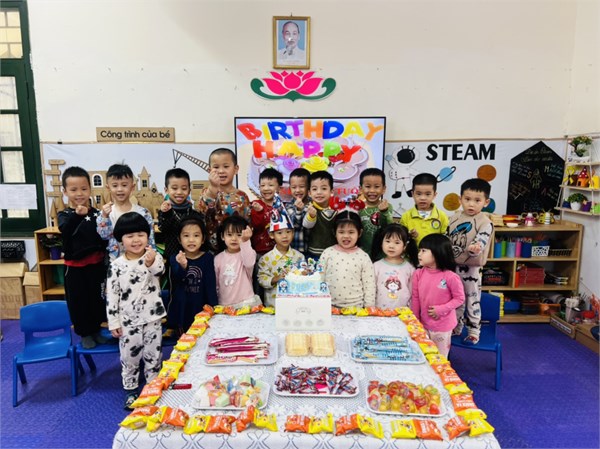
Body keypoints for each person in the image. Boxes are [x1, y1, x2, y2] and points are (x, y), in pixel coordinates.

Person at [106, 212, 166, 409]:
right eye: (130, 236)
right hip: (128, 321)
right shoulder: (116, 265)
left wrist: (150, 262)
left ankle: (153, 387)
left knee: (153, 354)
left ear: (147, 236)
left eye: (140, 234)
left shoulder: (153, 257)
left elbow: (160, 270)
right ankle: (131, 389)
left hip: (152, 317)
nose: (136, 240)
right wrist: (113, 322)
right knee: (129, 357)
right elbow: (112, 295)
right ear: (121, 239)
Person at [58, 166, 108, 349]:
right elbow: (65, 230)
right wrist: (77, 216)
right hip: (75, 268)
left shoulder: (96, 213)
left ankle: (96, 329)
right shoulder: (64, 215)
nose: (79, 193)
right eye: (73, 189)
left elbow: (103, 236)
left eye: (84, 188)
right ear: (65, 191)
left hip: (96, 265)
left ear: (90, 189)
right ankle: (84, 333)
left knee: (97, 299)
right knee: (78, 301)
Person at [448, 178, 493, 345]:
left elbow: (482, 238)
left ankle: (474, 330)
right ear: (460, 199)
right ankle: (456, 326)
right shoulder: (454, 217)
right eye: (467, 199)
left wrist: (476, 246)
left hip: (471, 269)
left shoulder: (485, 222)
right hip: (452, 266)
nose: (471, 204)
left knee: (472, 299)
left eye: (477, 200)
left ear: (486, 202)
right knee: (454, 298)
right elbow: (447, 236)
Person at [411, 234, 465, 357]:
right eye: (419, 250)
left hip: (443, 327)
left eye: (424, 251)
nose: (419, 254)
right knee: (423, 355)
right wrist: (415, 320)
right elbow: (415, 298)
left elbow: (460, 298)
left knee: (439, 358)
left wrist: (441, 309)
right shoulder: (418, 273)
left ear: (437, 252)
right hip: (423, 324)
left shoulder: (450, 276)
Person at [168, 217, 217, 336]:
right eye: (186, 236)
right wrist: (183, 266)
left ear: (203, 239)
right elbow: (177, 280)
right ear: (179, 239)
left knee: (203, 336)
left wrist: (214, 307)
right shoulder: (175, 258)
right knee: (184, 340)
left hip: (201, 307)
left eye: (196, 235)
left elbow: (210, 285)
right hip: (182, 309)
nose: (191, 240)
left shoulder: (208, 258)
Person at [97, 163, 155, 261]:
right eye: (115, 185)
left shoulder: (143, 213)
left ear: (132, 187)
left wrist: (152, 258)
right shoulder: (105, 214)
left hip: (141, 261)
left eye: (124, 185)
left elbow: (150, 239)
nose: (120, 189)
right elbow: (104, 236)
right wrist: (105, 217)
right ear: (108, 188)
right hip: (116, 262)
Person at [320, 211, 376, 308]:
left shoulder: (363, 257)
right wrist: (319, 303)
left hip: (356, 309)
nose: (346, 236)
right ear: (334, 232)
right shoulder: (327, 253)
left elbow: (369, 285)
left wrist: (369, 308)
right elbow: (319, 279)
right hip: (329, 307)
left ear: (359, 233)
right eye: (341, 232)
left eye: (351, 232)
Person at [196, 148, 250, 249]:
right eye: (216, 167)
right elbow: (203, 213)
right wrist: (213, 188)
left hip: (237, 249)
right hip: (211, 249)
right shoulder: (207, 192)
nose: (221, 171)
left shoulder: (242, 196)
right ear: (209, 170)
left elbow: (248, 223)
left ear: (236, 169)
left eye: (226, 166)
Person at [257, 207, 305, 307]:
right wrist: (276, 278)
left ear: (293, 233)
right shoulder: (265, 259)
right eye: (279, 233)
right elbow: (261, 279)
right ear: (272, 235)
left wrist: (303, 274)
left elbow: (303, 279)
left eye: (288, 232)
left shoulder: (299, 257)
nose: (284, 236)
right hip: (273, 305)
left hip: (295, 304)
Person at [214, 216, 261, 308]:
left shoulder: (248, 253)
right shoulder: (218, 258)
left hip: (247, 303)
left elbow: (249, 263)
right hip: (225, 304)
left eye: (239, 235)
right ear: (222, 236)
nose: (234, 238)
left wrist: (245, 241)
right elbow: (216, 284)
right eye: (229, 234)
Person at [158, 167, 204, 261]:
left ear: (189, 191)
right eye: (174, 188)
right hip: (172, 257)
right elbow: (164, 229)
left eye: (184, 188)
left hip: (193, 257)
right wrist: (167, 213)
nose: (179, 192)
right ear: (166, 190)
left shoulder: (194, 214)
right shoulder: (164, 213)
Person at [372, 223, 418, 309]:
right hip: (379, 312)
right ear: (381, 243)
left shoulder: (410, 268)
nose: (391, 246)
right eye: (388, 241)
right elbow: (371, 290)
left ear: (405, 246)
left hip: (403, 313)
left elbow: (413, 293)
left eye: (397, 243)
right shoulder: (376, 266)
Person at [400, 173, 448, 246]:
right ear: (412, 194)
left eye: (428, 194)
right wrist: (409, 236)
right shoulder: (406, 216)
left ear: (434, 195)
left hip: (434, 253)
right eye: (418, 194)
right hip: (412, 253)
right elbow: (401, 240)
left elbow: (444, 241)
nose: (423, 198)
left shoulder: (442, 216)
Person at [358, 168, 394, 259]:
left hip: (382, 255)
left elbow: (390, 228)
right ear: (360, 189)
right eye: (368, 186)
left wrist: (384, 212)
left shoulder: (387, 206)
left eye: (377, 186)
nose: (372, 190)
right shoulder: (358, 208)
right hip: (361, 254)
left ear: (383, 189)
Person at [302, 171, 337, 259]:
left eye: (324, 188)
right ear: (309, 193)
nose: (319, 192)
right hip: (314, 253)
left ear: (331, 191)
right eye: (314, 189)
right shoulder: (310, 208)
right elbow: (306, 225)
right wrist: (312, 216)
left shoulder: (336, 210)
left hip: (333, 253)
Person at [251, 168, 283, 256]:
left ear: (279, 188)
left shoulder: (282, 207)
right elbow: (256, 225)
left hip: (279, 250)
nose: (266, 188)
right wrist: (259, 212)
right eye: (262, 185)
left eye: (270, 185)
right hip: (260, 250)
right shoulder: (256, 205)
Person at [285, 167, 311, 255]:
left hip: (310, 250)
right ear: (290, 188)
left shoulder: (313, 204)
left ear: (308, 187)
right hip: (294, 250)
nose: (297, 190)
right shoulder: (288, 206)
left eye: (302, 186)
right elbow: (295, 225)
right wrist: (299, 210)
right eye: (294, 187)